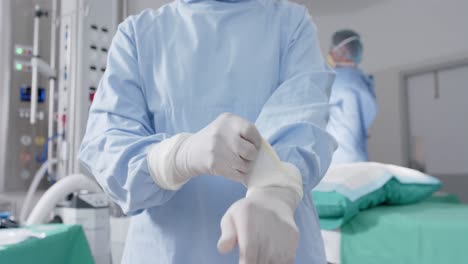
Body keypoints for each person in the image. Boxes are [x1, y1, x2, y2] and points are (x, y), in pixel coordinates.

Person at [78, 0, 336, 263]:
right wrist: (177, 157)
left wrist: (274, 192)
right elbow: (109, 145)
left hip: (274, 248)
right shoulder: (139, 36)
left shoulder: (290, 25)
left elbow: (302, 118)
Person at [326, 29, 377, 164]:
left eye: (332, 48)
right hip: (357, 158)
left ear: (343, 50)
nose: (330, 53)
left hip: (337, 161)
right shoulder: (363, 81)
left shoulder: (336, 81)